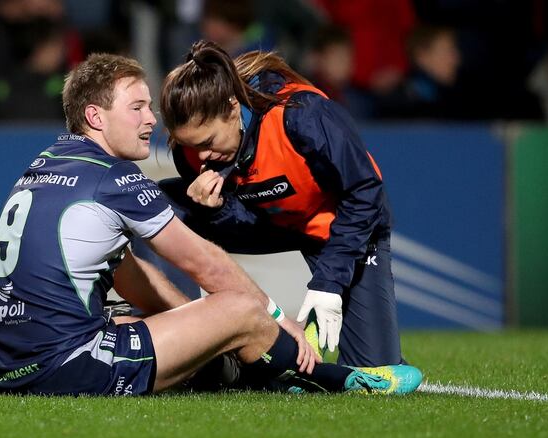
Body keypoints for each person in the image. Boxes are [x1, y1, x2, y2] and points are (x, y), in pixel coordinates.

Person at [0, 52, 422, 396]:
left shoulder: (46, 164)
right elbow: (205, 265)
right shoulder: (120, 176)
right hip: (73, 366)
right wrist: (270, 319)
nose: (150, 120)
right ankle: (316, 375)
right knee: (240, 306)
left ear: (233, 109)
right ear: (96, 117)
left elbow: (129, 274)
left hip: (12, 367)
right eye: (137, 108)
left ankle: (231, 354)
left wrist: (326, 281)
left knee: (168, 307)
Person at [158, 40, 408, 368]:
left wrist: (330, 281)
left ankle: (324, 328)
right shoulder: (192, 153)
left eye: (207, 142)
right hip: (272, 223)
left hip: (338, 228)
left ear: (233, 107)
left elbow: (365, 194)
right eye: (192, 145)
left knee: (376, 369)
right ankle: (179, 343)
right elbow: (244, 218)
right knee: (155, 204)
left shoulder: (303, 116)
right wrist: (215, 210)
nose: (202, 156)